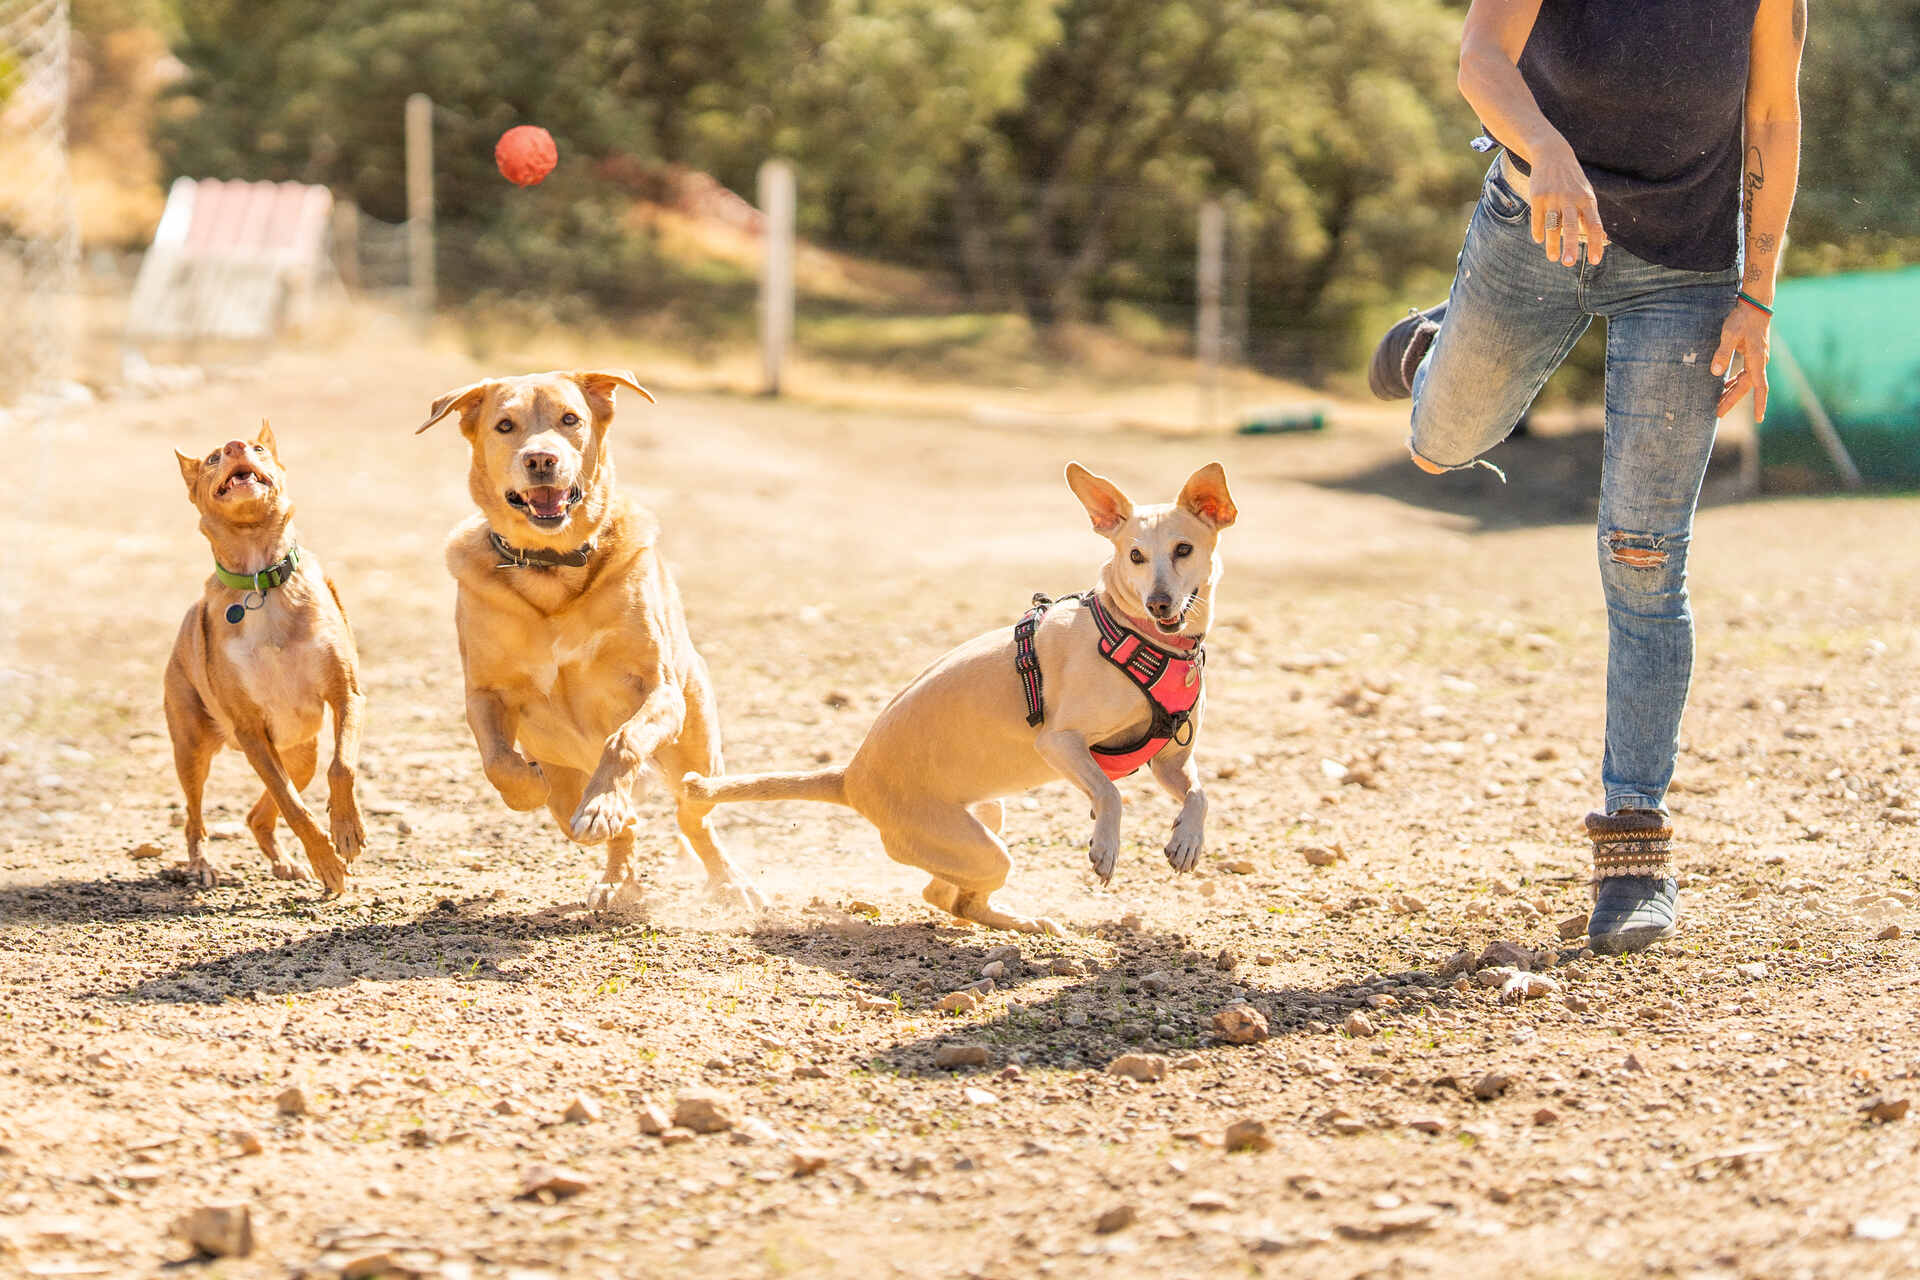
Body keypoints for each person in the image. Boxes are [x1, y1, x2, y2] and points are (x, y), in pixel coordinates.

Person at [1368, 0, 1805, 953]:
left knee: (1644, 557)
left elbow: (1772, 118)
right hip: (1532, 229)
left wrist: (1757, 294)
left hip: (1683, 275)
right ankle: (1431, 352)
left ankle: (1635, 848)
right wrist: (1546, 150)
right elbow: (1482, 56)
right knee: (1441, 444)